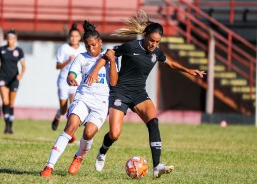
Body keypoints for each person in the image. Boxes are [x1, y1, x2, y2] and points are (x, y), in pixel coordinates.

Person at [86, 11, 206, 178]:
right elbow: (109, 55)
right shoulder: (131, 47)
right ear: (144, 35)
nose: (153, 45)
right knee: (114, 133)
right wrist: (95, 71)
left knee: (153, 121)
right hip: (120, 92)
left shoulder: (156, 53)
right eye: (151, 40)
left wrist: (189, 71)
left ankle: (157, 166)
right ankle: (102, 151)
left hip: (139, 93)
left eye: (157, 42)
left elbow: (170, 63)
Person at [40, 20, 118, 177]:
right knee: (71, 126)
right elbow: (72, 73)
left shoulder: (109, 58)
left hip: (101, 103)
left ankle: (79, 157)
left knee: (88, 133)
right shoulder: (81, 58)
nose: (91, 48)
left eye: (94, 45)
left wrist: (112, 61)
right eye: (88, 46)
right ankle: (49, 167)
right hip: (83, 97)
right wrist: (71, 78)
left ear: (100, 42)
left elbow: (114, 82)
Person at [0, 29, 26, 134]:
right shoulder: (1, 50)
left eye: (12, 38)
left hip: (14, 79)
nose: (10, 40)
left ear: (15, 39)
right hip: (3, 77)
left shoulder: (19, 51)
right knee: (5, 101)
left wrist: (21, 74)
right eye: (8, 38)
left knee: (11, 103)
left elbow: (23, 66)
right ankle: (7, 124)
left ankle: (10, 124)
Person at [51, 23, 86, 131]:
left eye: (76, 36)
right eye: (72, 36)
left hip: (76, 81)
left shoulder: (83, 49)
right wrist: (68, 61)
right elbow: (58, 66)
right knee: (63, 109)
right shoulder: (64, 48)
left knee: (73, 107)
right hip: (63, 81)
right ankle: (57, 116)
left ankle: (70, 131)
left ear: (80, 37)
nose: (74, 38)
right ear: (68, 37)